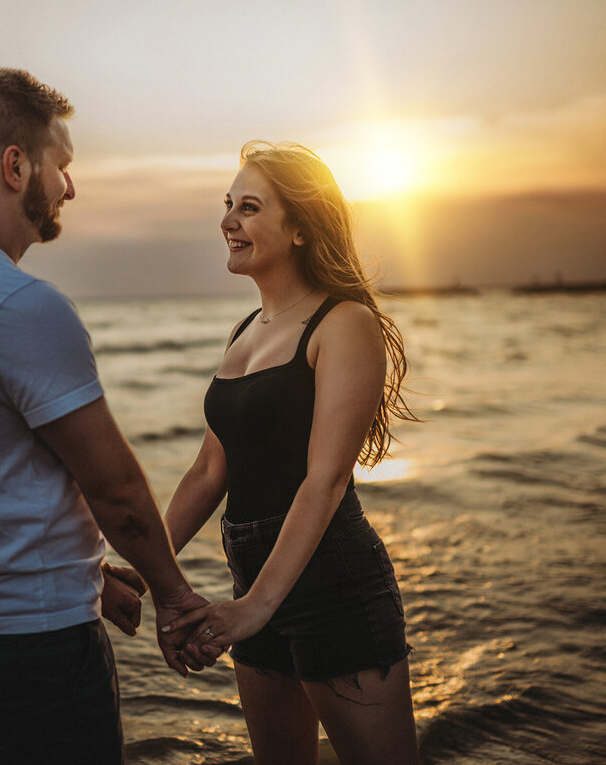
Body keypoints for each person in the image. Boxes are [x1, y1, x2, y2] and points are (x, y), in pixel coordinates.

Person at [0, 68, 213, 765]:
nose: (70, 187)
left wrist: (92, 577)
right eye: (62, 166)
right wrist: (175, 596)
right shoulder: (18, 304)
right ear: (15, 166)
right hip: (28, 642)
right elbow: (116, 489)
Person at [161, 142, 422, 764]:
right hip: (254, 577)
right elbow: (208, 472)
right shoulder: (244, 331)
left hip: (330, 581)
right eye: (228, 205)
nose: (229, 220)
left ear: (301, 228)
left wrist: (256, 605)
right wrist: (145, 568)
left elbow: (326, 481)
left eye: (249, 207)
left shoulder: (344, 323)